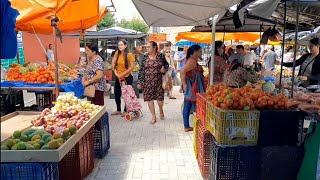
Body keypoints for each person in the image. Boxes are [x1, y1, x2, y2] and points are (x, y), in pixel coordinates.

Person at [137, 41, 168, 124]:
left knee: (160, 100)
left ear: (154, 47)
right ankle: (153, 116)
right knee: (149, 99)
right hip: (147, 82)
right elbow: (141, 69)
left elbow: (166, 65)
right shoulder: (145, 56)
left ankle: (161, 110)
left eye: (149, 47)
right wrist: (140, 82)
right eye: (146, 47)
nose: (147, 49)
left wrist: (164, 69)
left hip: (158, 82)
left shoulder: (160, 56)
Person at [180, 45, 205, 132]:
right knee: (195, 107)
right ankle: (196, 126)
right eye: (200, 51)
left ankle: (187, 126)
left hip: (192, 88)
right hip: (192, 88)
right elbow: (182, 71)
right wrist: (184, 84)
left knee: (188, 106)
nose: (201, 53)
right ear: (195, 52)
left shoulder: (193, 60)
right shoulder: (192, 61)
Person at [111, 39, 136, 116]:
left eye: (121, 45)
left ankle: (126, 110)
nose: (120, 46)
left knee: (126, 94)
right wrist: (116, 73)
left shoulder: (129, 55)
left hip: (127, 76)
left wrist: (122, 74)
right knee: (117, 93)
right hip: (118, 77)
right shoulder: (117, 53)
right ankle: (118, 110)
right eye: (119, 45)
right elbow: (113, 63)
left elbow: (132, 67)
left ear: (125, 46)